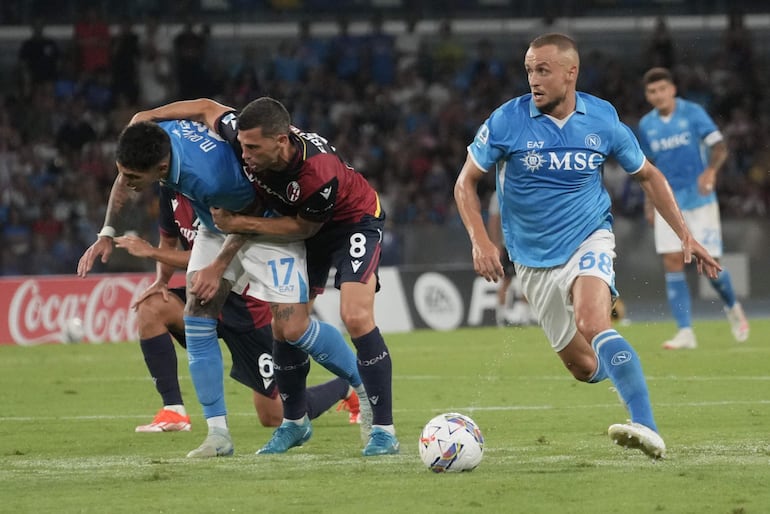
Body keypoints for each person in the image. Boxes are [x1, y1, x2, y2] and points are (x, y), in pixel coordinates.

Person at [454, 33, 722, 459]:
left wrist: (685, 233)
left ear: (570, 72)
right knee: (583, 368)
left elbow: (648, 175)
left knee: (593, 320)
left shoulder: (602, 118)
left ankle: (646, 425)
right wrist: (480, 240)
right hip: (531, 258)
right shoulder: (506, 121)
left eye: (543, 70)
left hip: (589, 236)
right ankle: (620, 370)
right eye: (529, 70)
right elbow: (466, 182)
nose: (534, 80)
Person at [77, 119, 371, 458]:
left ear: (160, 167)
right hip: (216, 225)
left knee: (293, 329)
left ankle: (362, 387)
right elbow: (135, 168)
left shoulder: (209, 177)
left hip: (263, 225)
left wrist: (218, 268)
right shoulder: (157, 141)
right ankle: (218, 435)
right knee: (198, 315)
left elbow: (248, 217)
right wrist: (106, 231)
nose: (126, 183)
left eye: (132, 178)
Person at [115, 186, 360, 432]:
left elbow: (212, 257)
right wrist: (161, 282)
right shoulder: (170, 190)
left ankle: (343, 387)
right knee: (151, 307)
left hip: (248, 307)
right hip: (204, 297)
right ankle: (174, 410)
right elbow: (168, 240)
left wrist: (149, 252)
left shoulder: (216, 188)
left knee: (273, 415)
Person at [638, 67, 749, 350]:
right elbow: (646, 170)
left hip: (700, 201)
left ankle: (733, 306)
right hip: (668, 203)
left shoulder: (693, 113)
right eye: (652, 91)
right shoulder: (646, 126)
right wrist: (649, 203)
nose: (658, 95)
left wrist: (711, 172)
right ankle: (685, 331)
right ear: (648, 96)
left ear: (672, 89)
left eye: (663, 89)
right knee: (672, 261)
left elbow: (720, 146)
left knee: (709, 263)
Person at [486, 192, 534, 327]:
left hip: (524, 244)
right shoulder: (499, 194)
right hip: (509, 244)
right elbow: (494, 219)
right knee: (507, 280)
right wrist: (495, 243)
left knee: (526, 280)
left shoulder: (519, 188)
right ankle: (502, 316)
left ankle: (524, 315)